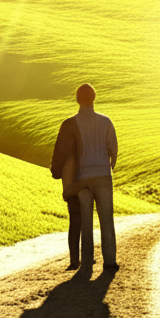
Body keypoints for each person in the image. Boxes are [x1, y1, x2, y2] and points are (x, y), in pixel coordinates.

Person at [49, 83, 118, 271]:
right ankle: (110, 261)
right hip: (103, 175)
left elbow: (61, 151)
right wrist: (110, 165)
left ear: (78, 100)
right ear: (94, 98)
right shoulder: (105, 122)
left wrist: (58, 172)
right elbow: (113, 148)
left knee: (86, 221)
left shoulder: (71, 123)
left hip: (82, 178)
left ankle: (86, 262)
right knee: (106, 220)